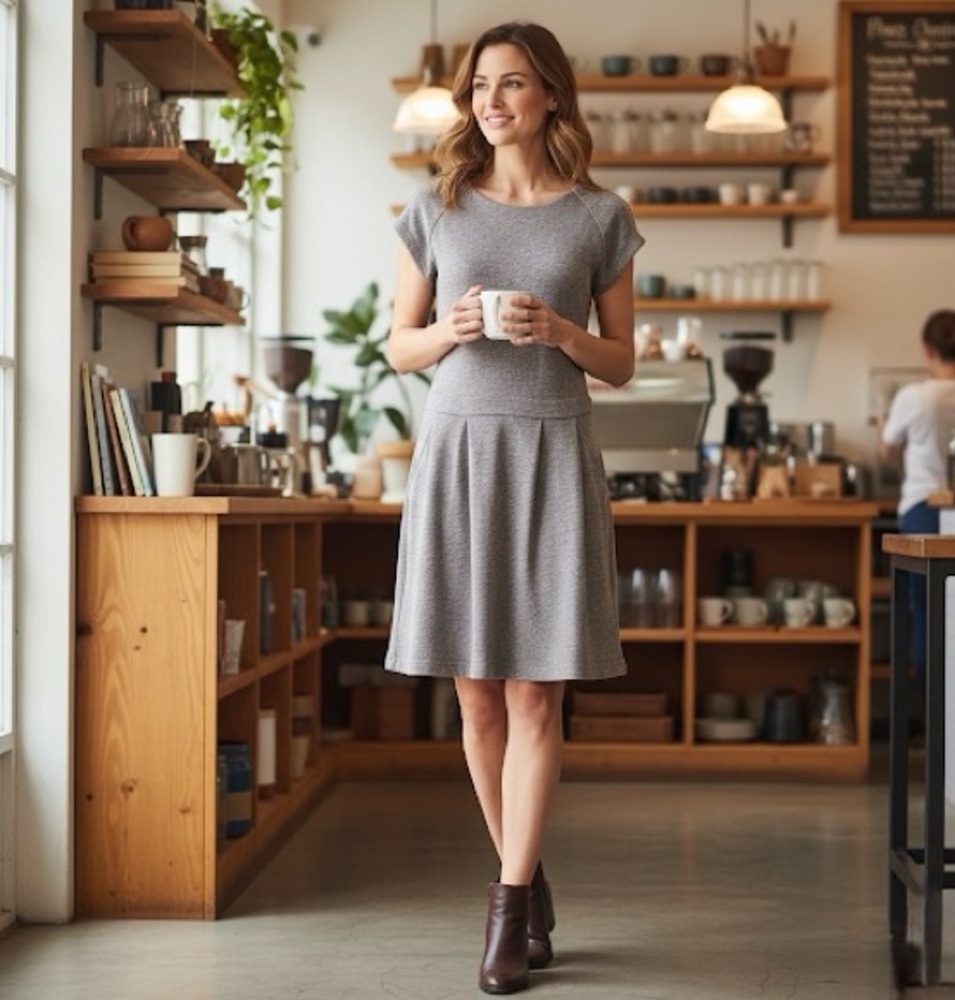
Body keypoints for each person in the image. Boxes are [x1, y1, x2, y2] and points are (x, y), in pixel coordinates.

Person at [383, 21, 643, 995]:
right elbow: (397, 346)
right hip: (459, 453)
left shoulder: (599, 217)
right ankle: (522, 873)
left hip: (553, 452)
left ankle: (505, 906)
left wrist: (564, 331)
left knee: (537, 693)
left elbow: (622, 362)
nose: (491, 102)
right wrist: (448, 328)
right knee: (477, 695)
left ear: (550, 96)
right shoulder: (436, 208)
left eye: (512, 84)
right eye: (480, 87)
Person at [879, 308, 955, 696]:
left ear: (927, 350)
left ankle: (930, 714)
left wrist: (882, 429)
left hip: (922, 509)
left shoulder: (914, 397)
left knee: (925, 612)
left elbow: (888, 449)